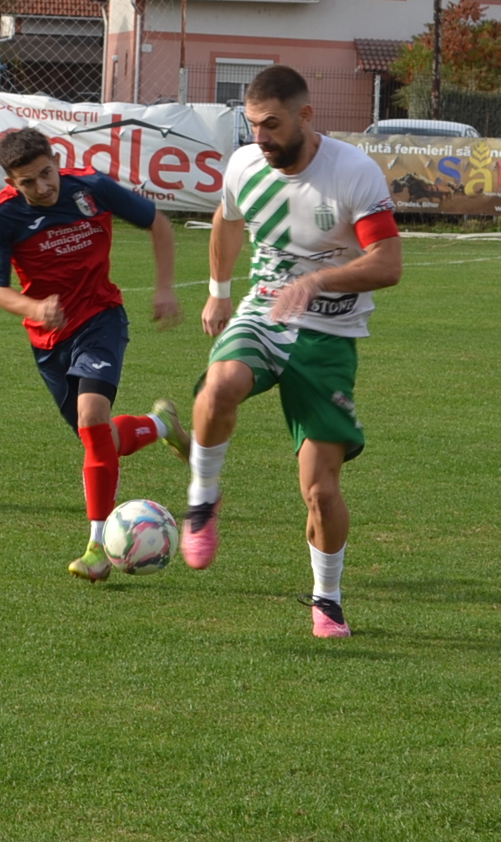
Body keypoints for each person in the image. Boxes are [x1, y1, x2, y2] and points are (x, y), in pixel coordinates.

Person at [181, 65, 402, 638]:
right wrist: (219, 293)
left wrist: (320, 282)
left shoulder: (352, 171)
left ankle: (326, 597)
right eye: (252, 125)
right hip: (264, 311)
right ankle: (203, 500)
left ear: (306, 116)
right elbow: (227, 222)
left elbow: (388, 264)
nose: (261, 138)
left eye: (272, 125)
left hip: (329, 334)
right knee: (219, 386)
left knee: (321, 492)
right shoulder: (244, 165)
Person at [0, 128, 190, 580]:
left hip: (101, 319)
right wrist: (33, 307)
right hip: (48, 338)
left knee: (93, 421)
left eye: (45, 174)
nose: (42, 187)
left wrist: (165, 287)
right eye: (28, 182)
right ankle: (159, 424)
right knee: (99, 441)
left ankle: (97, 549)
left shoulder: (92, 189)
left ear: (56, 160)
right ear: (10, 183)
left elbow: (158, 222)